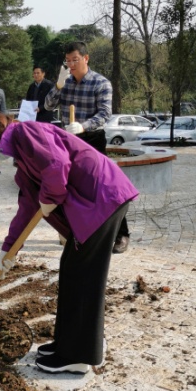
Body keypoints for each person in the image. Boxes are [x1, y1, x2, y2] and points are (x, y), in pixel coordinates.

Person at [0, 111, 138, 374]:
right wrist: (9, 248)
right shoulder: (23, 160)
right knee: (71, 270)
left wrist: (51, 195)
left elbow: (57, 163)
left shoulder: (25, 132)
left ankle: (79, 356)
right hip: (92, 206)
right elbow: (27, 208)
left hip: (102, 198)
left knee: (84, 277)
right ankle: (66, 344)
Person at [44, 41, 131, 254]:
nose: (71, 64)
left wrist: (82, 126)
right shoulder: (66, 82)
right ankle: (72, 232)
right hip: (68, 143)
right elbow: (47, 106)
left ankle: (121, 234)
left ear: (86, 58)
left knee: (104, 188)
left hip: (92, 139)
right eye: (68, 61)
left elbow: (104, 114)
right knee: (68, 188)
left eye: (75, 59)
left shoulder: (101, 83)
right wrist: (58, 86)